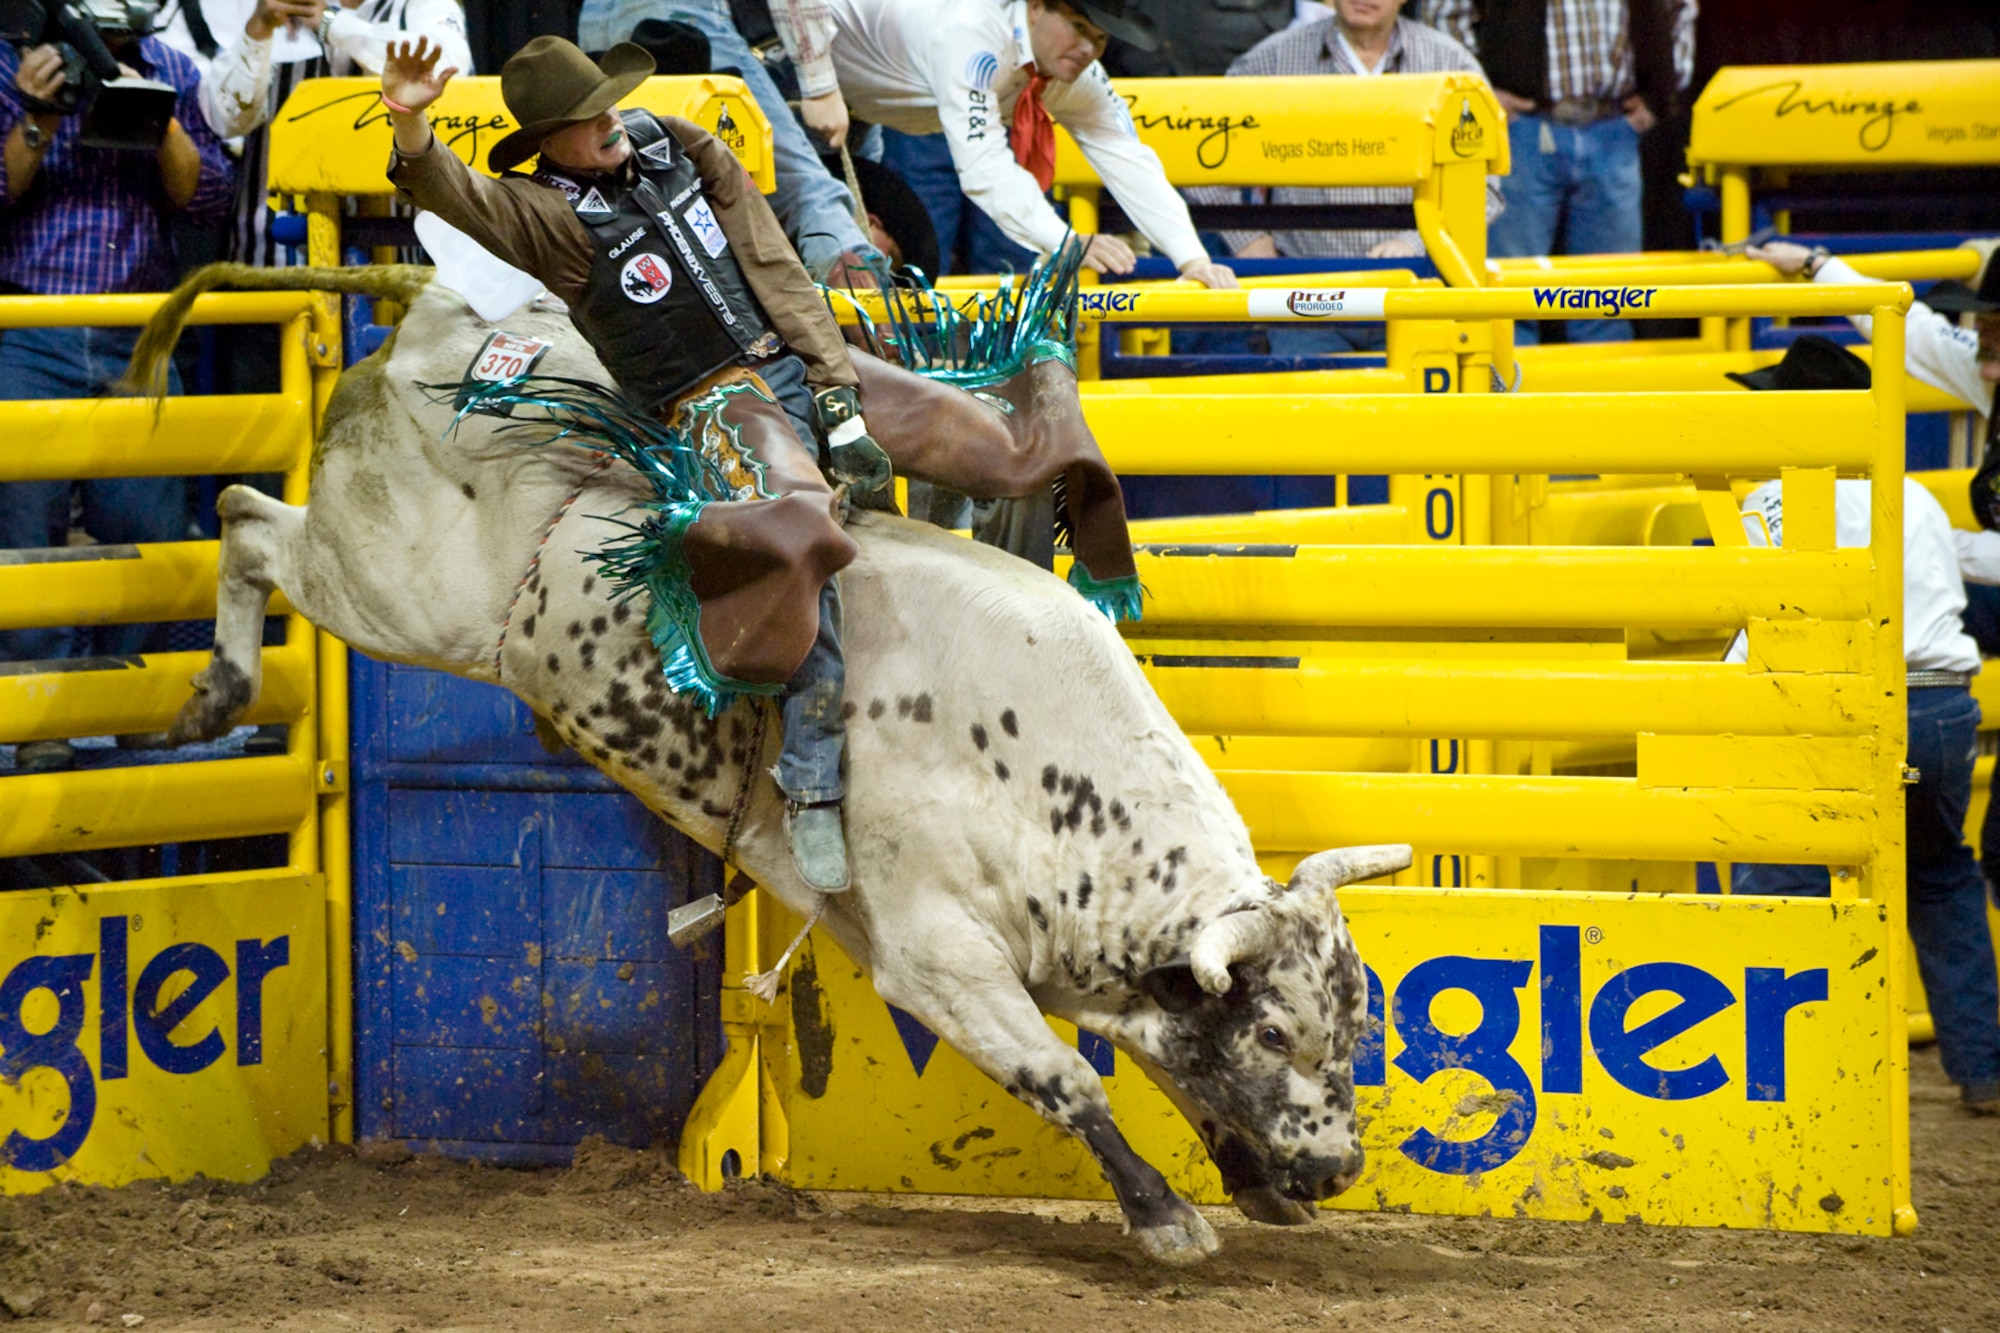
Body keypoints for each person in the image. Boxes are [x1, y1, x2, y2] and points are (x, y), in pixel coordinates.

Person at [382, 34, 888, 892]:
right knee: (804, 543)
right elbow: (450, 190)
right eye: (589, 115)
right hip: (705, 407)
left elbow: (772, 261)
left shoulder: (681, 144)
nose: (612, 118)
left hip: (787, 362)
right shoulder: (542, 215)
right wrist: (409, 125)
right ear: (550, 138)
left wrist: (835, 387)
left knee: (982, 409)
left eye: (609, 99)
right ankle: (809, 785)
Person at [1717, 328, 2000, 1118]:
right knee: (1940, 877)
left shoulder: (1775, 494)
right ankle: (1983, 1070)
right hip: (1939, 708)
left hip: (1834, 708)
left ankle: (1791, 1076)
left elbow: (1767, 621)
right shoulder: (1912, 494)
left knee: (1785, 879)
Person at [0, 14, 234, 774]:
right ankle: (39, 718)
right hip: (31, 323)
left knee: (147, 524)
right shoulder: (10, 64)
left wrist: (154, 113)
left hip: (141, 329)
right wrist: (37, 118)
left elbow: (209, 202)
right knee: (26, 532)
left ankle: (129, 701)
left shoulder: (172, 64)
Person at [789, 0, 1237, 286]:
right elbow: (985, 168)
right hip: (788, 59)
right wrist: (1063, 242)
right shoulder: (974, 36)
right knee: (829, 252)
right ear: (1037, 8)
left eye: (1100, 37)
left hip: (849, 110)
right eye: (1079, 26)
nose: (1088, 48)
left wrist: (1191, 258)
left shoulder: (1070, 70)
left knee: (875, 261)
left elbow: (1125, 154)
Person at [1187, 0, 1502, 357]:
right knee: (1315, 410)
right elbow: (1196, 141)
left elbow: (1487, 184)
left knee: (1413, 413)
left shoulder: (1448, 63)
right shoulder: (1275, 58)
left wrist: (1415, 241)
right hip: (1307, 301)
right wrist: (1246, 238)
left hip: (1416, 295)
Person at [1419, 0, 1692, 342]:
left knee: (1610, 300)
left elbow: (1681, 8)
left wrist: (1662, 92)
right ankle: (1508, 393)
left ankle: (1602, 396)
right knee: (1507, 298)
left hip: (1613, 127)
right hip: (1521, 127)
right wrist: (1479, 89)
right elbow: (1443, 12)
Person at [574, 0, 883, 283]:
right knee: (802, 184)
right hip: (684, 12)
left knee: (645, 186)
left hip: (596, 19)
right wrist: (820, 84)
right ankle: (868, 311)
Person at [195, 0, 474, 267]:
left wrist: (332, 23)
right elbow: (225, 122)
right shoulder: (266, 8)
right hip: (272, 258)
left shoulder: (420, 6)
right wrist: (257, 30)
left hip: (391, 264)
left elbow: (445, 75)